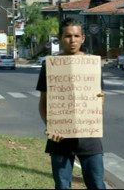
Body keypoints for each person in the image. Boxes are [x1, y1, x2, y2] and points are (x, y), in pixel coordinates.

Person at [36, 17, 106, 189]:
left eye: (76, 36)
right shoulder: (50, 66)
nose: (72, 40)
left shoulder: (92, 65)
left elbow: (98, 98)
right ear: (60, 38)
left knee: (97, 184)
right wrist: (51, 127)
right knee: (62, 185)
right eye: (67, 36)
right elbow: (43, 103)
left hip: (89, 137)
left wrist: (100, 99)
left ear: (82, 38)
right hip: (60, 138)